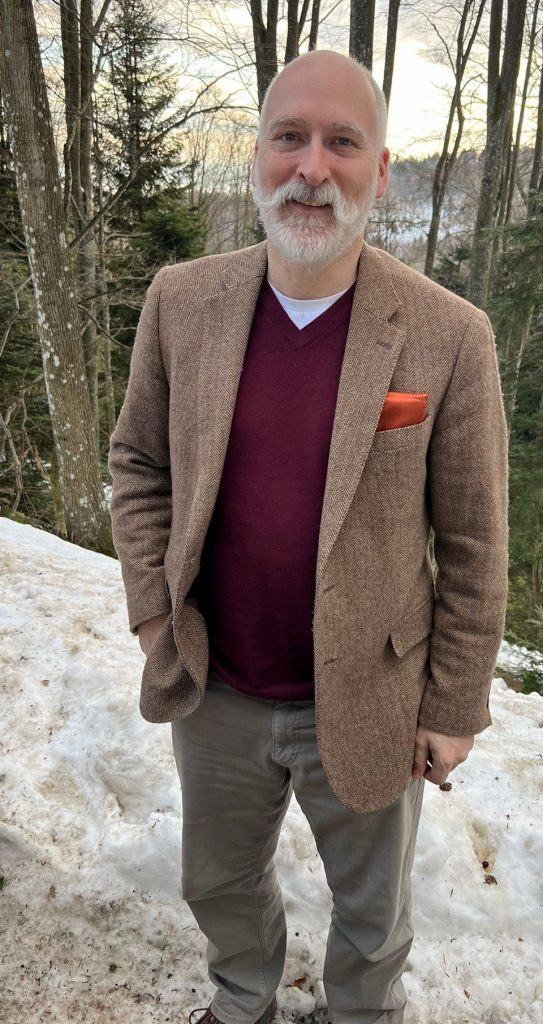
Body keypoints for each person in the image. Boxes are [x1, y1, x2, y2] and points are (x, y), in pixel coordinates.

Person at [108, 49, 508, 1024]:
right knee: (217, 880)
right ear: (257, 152)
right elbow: (140, 464)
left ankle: (362, 1013)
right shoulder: (181, 302)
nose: (311, 168)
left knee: (373, 914)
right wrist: (156, 617)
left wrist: (454, 703)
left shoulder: (449, 335)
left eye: (342, 143)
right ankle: (242, 997)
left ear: (380, 169)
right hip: (216, 683)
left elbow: (474, 540)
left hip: (375, 691)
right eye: (289, 136)